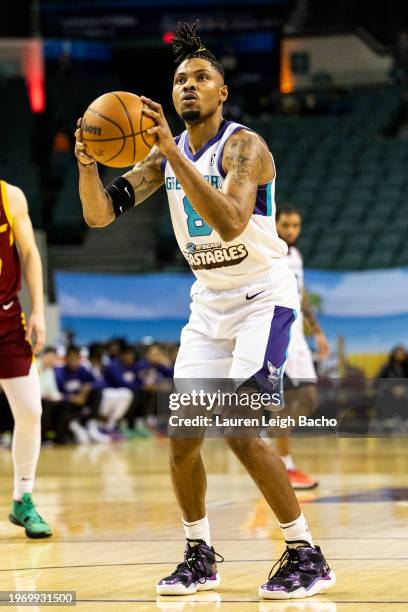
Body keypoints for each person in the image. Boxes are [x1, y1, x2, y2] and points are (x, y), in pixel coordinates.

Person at [75, 21, 335, 601]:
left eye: (200, 78)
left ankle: (306, 553)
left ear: (222, 92)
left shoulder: (244, 146)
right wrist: (89, 162)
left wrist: (169, 151)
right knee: (183, 436)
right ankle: (199, 555)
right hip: (209, 303)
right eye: (179, 80)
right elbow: (97, 216)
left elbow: (231, 222)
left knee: (241, 429)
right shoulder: (163, 158)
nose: (188, 86)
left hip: (262, 298)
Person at [0, 179, 52, 538]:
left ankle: (23, 497)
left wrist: (39, 311)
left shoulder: (9, 195)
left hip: (7, 317)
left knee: (31, 410)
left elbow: (30, 253)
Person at [275, 205, 330, 490]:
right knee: (282, 398)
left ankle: (273, 440)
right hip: (275, 332)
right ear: (275, 224)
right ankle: (284, 465)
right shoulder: (267, 252)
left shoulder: (295, 255)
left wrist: (317, 332)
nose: (291, 231)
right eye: (286, 225)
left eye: (295, 226)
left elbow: (302, 294)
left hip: (297, 336)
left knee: (308, 398)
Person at [55, 344, 110, 443]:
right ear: (66, 359)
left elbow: (101, 383)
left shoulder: (82, 370)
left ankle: (92, 426)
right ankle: (74, 429)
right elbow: (56, 393)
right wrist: (71, 397)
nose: (73, 362)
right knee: (64, 405)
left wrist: (88, 387)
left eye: (75, 359)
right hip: (67, 406)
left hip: (81, 402)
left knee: (97, 392)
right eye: (70, 359)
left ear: (79, 359)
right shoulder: (59, 372)